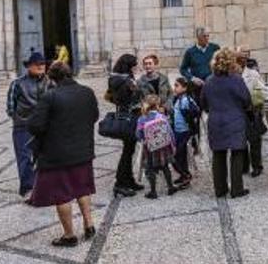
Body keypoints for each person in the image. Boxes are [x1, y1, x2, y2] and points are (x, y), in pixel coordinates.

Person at [26, 62, 99, 248]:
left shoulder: (50, 96)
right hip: (83, 151)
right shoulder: (87, 92)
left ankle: (69, 235)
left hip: (57, 155)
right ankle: (89, 225)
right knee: (82, 188)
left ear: (52, 77)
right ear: (70, 73)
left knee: (62, 194)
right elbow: (95, 116)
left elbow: (35, 126)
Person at [201, 47, 253, 198]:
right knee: (237, 154)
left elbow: (203, 103)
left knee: (218, 155)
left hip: (216, 120)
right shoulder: (237, 79)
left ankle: (220, 189)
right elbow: (247, 100)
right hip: (235, 119)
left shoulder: (209, 81)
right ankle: (237, 189)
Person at [6, 52, 51, 200]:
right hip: (23, 126)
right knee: (24, 157)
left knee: (44, 156)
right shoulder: (17, 83)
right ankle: (27, 189)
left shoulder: (50, 82)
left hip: (44, 126)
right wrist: (20, 119)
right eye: (37, 64)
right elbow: (10, 107)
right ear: (29, 67)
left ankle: (43, 187)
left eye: (43, 64)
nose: (40, 66)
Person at [107, 54, 144, 197]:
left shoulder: (114, 78)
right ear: (128, 66)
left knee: (129, 150)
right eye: (134, 64)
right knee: (127, 151)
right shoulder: (126, 81)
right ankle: (120, 183)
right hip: (130, 117)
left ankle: (128, 180)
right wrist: (136, 87)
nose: (135, 67)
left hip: (124, 116)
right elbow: (133, 97)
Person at [136, 95, 178, 199]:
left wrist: (143, 140)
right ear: (157, 105)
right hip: (163, 146)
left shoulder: (142, 119)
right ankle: (170, 187)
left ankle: (153, 191)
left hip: (149, 147)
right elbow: (169, 132)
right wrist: (173, 144)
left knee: (150, 168)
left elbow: (138, 134)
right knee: (165, 166)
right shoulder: (161, 117)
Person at [241, 57, 268, 177]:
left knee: (254, 140)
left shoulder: (253, 74)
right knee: (241, 140)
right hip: (239, 111)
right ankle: (244, 166)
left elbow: (263, 92)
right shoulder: (231, 75)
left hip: (253, 111)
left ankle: (257, 166)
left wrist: (259, 106)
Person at [171, 77, 198, 188]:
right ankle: (183, 174)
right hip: (177, 131)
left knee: (180, 155)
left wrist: (191, 129)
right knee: (177, 155)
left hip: (184, 132)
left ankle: (186, 176)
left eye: (177, 86)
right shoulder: (178, 98)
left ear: (185, 87)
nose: (175, 88)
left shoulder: (186, 100)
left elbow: (195, 112)